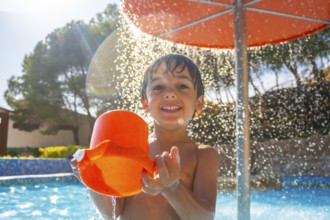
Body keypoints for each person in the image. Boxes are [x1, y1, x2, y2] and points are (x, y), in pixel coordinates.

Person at [71, 54, 220, 219]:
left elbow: (205, 217)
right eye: (158, 87)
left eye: (182, 86)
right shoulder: (133, 152)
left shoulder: (203, 155)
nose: (170, 93)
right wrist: (94, 178)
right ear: (145, 103)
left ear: (199, 104)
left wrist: (173, 187)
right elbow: (111, 212)